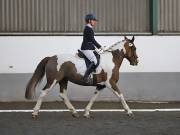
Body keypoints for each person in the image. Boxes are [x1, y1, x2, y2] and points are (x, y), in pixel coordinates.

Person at [81, 13, 104, 82]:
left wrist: (96, 48)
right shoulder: (88, 28)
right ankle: (85, 77)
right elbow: (92, 40)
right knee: (94, 61)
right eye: (93, 20)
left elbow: (90, 41)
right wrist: (100, 47)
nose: (95, 22)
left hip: (89, 48)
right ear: (89, 21)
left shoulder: (89, 28)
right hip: (86, 48)